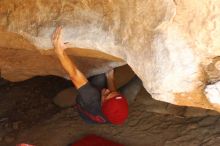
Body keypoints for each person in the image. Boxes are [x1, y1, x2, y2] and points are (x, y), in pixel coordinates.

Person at [52, 26, 129, 125]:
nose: (106, 90)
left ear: (102, 104)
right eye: (113, 93)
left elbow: (74, 75)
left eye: (106, 95)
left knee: (100, 75)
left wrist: (59, 52)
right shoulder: (116, 116)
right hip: (95, 119)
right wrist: (110, 77)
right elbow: (113, 97)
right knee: (124, 84)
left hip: (85, 110)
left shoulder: (91, 98)